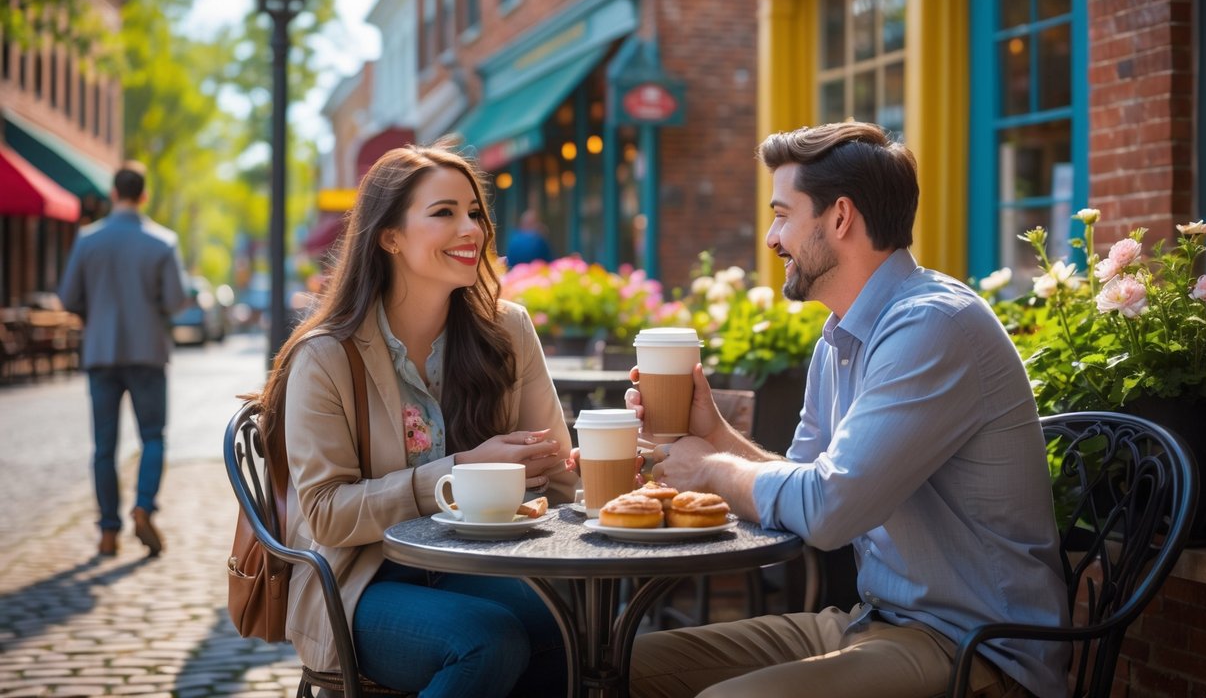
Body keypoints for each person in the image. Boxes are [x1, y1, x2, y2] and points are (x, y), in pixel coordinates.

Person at [627, 122, 1070, 698]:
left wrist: (710, 469)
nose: (771, 238)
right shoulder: (840, 339)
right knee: (620, 662)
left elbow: (828, 511)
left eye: (783, 215)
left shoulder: (931, 324)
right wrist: (713, 433)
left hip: (977, 650)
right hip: (872, 624)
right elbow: (806, 489)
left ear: (839, 218)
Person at [254, 141, 575, 697]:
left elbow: (562, 472)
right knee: (487, 640)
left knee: (567, 628)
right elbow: (328, 516)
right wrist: (459, 473)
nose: (470, 228)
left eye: (474, 212)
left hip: (475, 564)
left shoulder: (508, 331)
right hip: (357, 579)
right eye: (444, 213)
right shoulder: (327, 355)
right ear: (390, 236)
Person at [59, 161, 189, 558]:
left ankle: (108, 532)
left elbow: (67, 297)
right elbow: (176, 301)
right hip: (147, 352)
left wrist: (95, 316)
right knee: (152, 436)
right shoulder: (162, 242)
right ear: (144, 195)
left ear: (114, 194)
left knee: (103, 446)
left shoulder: (87, 240)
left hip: (101, 351)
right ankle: (143, 505)